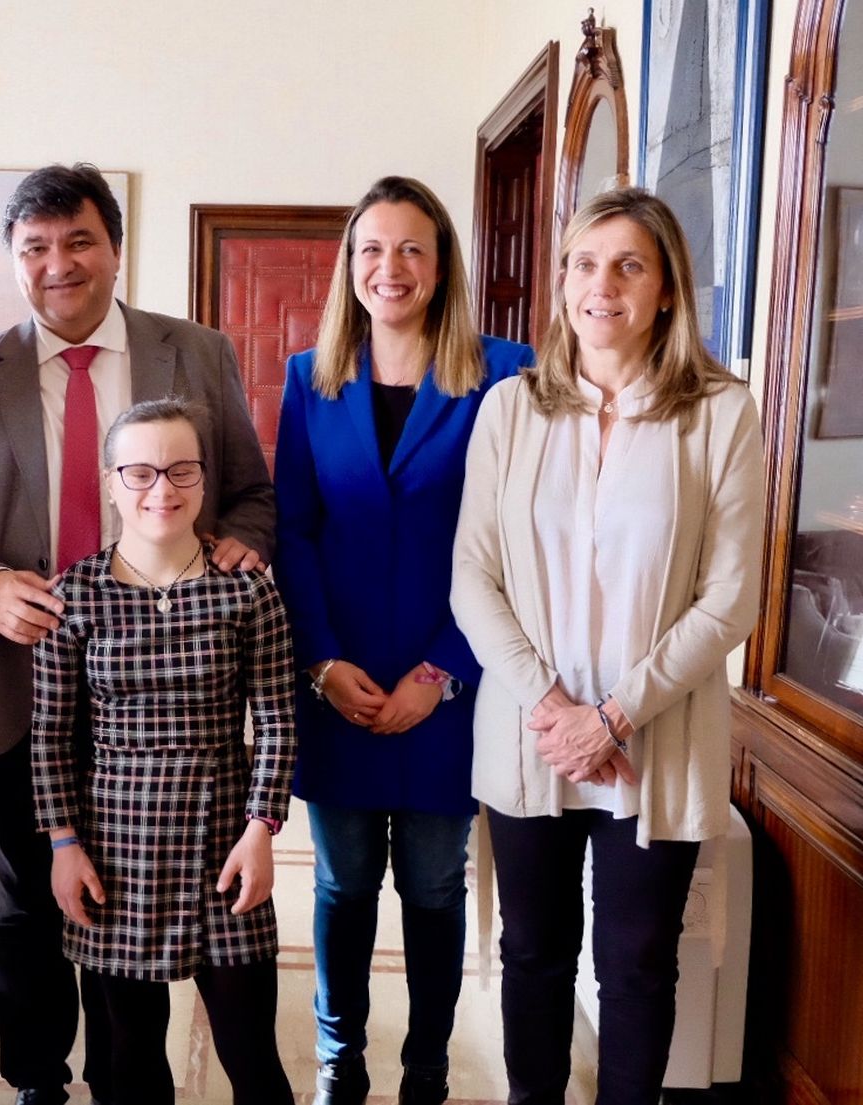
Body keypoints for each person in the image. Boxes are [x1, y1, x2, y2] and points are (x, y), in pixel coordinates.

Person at [0, 163, 275, 1105]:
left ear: (115, 247)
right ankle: (38, 1082)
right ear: (14, 261)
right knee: (32, 901)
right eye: (34, 248)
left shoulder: (195, 351)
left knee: (141, 914)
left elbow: (248, 493)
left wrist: (237, 549)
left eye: (78, 240)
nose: (58, 264)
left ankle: (129, 1082)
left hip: (164, 707)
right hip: (24, 685)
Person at [450, 187, 764, 1105]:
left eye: (630, 264)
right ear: (561, 283)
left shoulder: (720, 414)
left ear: (666, 288)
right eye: (584, 264)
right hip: (531, 735)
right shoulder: (511, 409)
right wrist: (555, 711)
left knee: (634, 966)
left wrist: (616, 714)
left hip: (651, 742)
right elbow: (474, 575)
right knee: (534, 954)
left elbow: (732, 596)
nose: (603, 284)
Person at [273, 176, 533, 1105]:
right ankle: (340, 1063)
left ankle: (426, 1067)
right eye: (373, 249)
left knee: (432, 887)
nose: (392, 268)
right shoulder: (311, 380)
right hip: (338, 684)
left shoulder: (505, 371)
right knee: (342, 890)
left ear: (443, 263)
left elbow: (517, 537)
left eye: (413, 248)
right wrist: (323, 659)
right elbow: (293, 529)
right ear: (350, 265)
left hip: (448, 690)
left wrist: (446, 672)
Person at [32, 398, 296, 1105]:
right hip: (116, 841)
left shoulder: (247, 590)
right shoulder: (77, 596)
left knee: (252, 1054)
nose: (163, 490)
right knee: (129, 1056)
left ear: (205, 480)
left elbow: (274, 717)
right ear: (111, 482)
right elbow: (52, 734)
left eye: (182, 470)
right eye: (141, 472)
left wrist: (261, 829)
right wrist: (63, 843)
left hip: (223, 836)